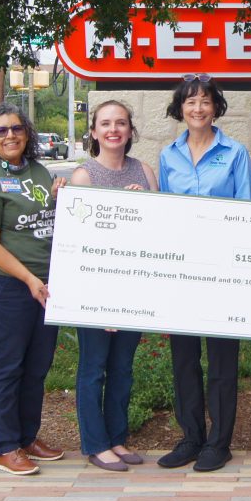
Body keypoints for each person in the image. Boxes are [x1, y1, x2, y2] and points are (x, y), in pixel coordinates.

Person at [157, 74, 251, 472]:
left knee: (221, 361)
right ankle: (191, 437)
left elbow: (247, 211)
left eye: (205, 101)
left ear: (216, 107)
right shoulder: (169, 155)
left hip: (222, 272)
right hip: (182, 273)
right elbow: (164, 211)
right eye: (190, 102)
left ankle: (219, 442)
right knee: (183, 359)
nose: (198, 108)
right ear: (180, 109)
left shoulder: (235, 153)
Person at [0, 103, 66, 475]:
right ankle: (6, 447)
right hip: (10, 287)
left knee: (37, 368)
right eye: (1, 131)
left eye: (17, 129)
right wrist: (29, 279)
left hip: (47, 288)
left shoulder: (41, 172)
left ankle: (28, 437)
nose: (10, 135)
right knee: (7, 368)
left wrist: (63, 195)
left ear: (27, 134)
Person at [71, 100, 158, 472]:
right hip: (94, 290)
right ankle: (95, 444)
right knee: (94, 367)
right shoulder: (83, 176)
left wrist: (145, 204)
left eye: (120, 123)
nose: (113, 130)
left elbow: (160, 227)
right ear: (93, 132)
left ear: (130, 131)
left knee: (122, 368)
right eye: (105, 124)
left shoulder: (144, 170)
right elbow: (78, 244)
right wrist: (96, 301)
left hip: (134, 288)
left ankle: (117, 438)